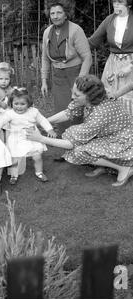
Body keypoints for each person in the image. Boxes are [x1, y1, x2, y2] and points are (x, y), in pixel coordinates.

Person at [27, 75, 133, 187]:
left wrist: (40, 138)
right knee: (73, 136)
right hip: (109, 135)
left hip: (124, 142)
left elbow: (70, 144)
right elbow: (68, 113)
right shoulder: (91, 99)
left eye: (76, 95)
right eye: (73, 92)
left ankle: (125, 168)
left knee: (79, 151)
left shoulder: (100, 114)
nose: (72, 97)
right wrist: (42, 122)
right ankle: (104, 166)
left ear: (90, 96)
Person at [41, 0, 92, 141]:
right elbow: (45, 58)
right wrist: (44, 81)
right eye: (52, 13)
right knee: (61, 109)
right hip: (58, 76)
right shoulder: (47, 33)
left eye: (59, 12)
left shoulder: (76, 30)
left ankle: (81, 145)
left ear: (66, 14)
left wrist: (80, 81)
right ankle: (65, 147)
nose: (55, 16)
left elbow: (87, 57)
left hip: (75, 73)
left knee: (78, 109)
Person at [0, 88, 56, 184]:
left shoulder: (33, 111)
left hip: (32, 136)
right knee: (15, 158)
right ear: (11, 103)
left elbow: (42, 120)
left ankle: (39, 172)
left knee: (37, 156)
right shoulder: (9, 113)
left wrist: (50, 129)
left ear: (29, 104)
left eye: (22, 104)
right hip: (17, 138)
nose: (19, 107)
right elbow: (1, 121)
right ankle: (14, 175)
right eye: (16, 104)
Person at [89, 0, 133, 115]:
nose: (116, 4)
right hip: (113, 65)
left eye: (120, 2)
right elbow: (93, 41)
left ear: (129, 4)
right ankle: (112, 129)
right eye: (114, 1)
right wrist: (74, 45)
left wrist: (131, 66)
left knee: (128, 98)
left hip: (130, 65)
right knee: (109, 96)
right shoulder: (110, 20)